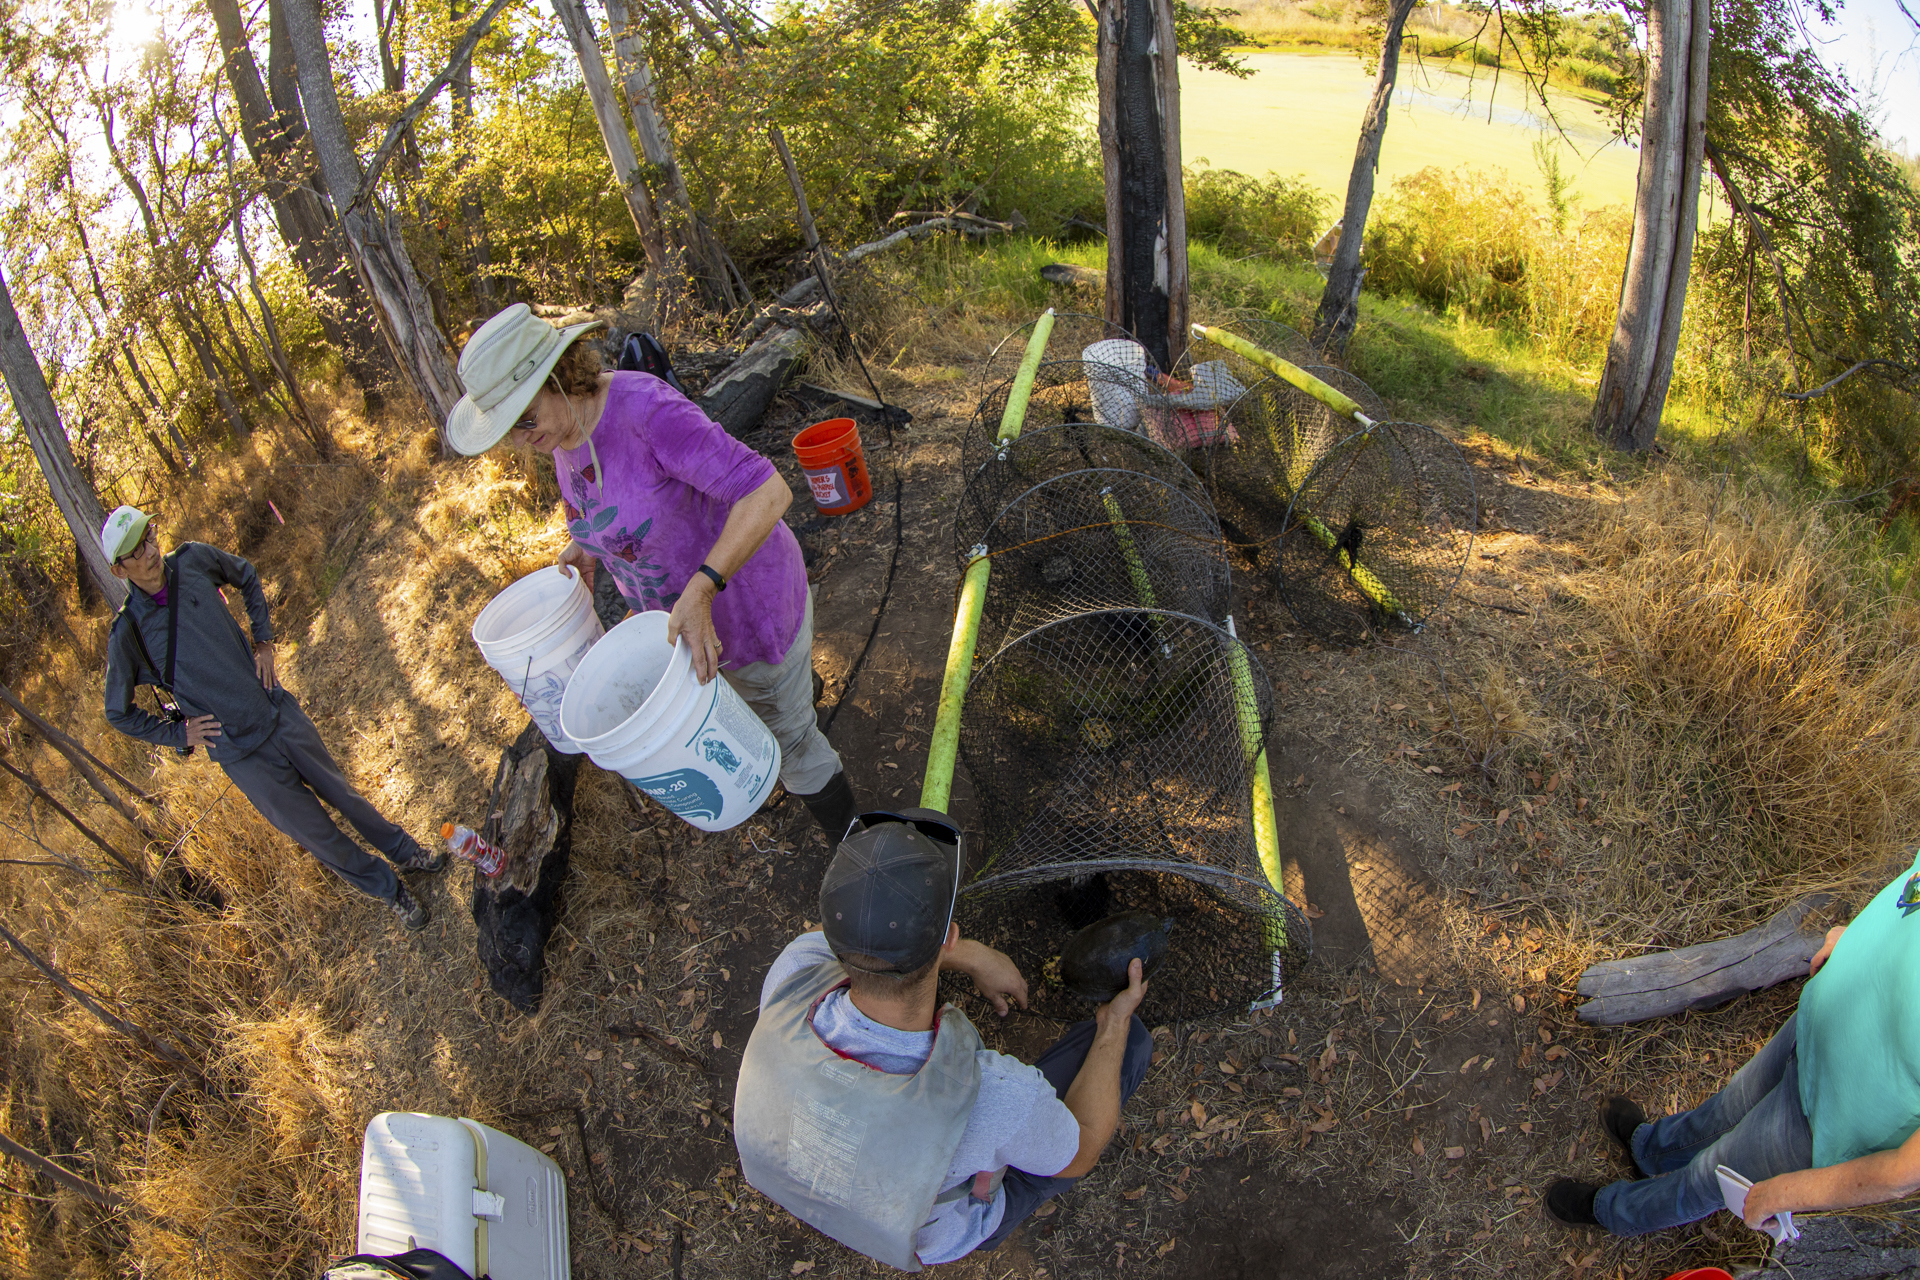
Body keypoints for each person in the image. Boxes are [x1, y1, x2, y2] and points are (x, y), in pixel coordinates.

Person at [446, 304, 858, 843]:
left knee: (794, 741)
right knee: (748, 708)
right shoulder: (562, 432)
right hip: (690, 627)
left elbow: (768, 491)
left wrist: (704, 585)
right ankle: (792, 697)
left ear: (561, 377)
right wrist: (587, 545)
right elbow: (628, 498)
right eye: (510, 431)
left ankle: (856, 846)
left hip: (744, 608)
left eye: (525, 420)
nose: (523, 438)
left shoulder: (645, 412)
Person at [733, 809, 1153, 1270]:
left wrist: (971, 957)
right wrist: (1114, 1024)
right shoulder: (995, 1095)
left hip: (816, 1188)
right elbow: (1083, 1150)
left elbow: (829, 945)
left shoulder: (792, 974)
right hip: (932, 1236)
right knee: (1132, 1044)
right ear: (948, 936)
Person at [99, 506, 443, 929]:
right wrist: (180, 733)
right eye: (136, 550)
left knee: (343, 794)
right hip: (241, 754)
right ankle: (390, 890)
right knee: (319, 837)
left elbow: (245, 574)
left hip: (275, 711)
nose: (150, 551)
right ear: (119, 571)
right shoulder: (128, 632)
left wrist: (264, 639)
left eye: (149, 536)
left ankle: (406, 851)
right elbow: (118, 712)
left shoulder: (191, 560)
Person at [1547, 854, 1920, 1236]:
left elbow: (1902, 1173)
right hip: (1813, 1023)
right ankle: (1650, 1151)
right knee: (1727, 1107)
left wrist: (1786, 1193)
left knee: (1706, 1179)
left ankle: (1615, 1212)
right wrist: (1856, 935)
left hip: (1828, 1118)